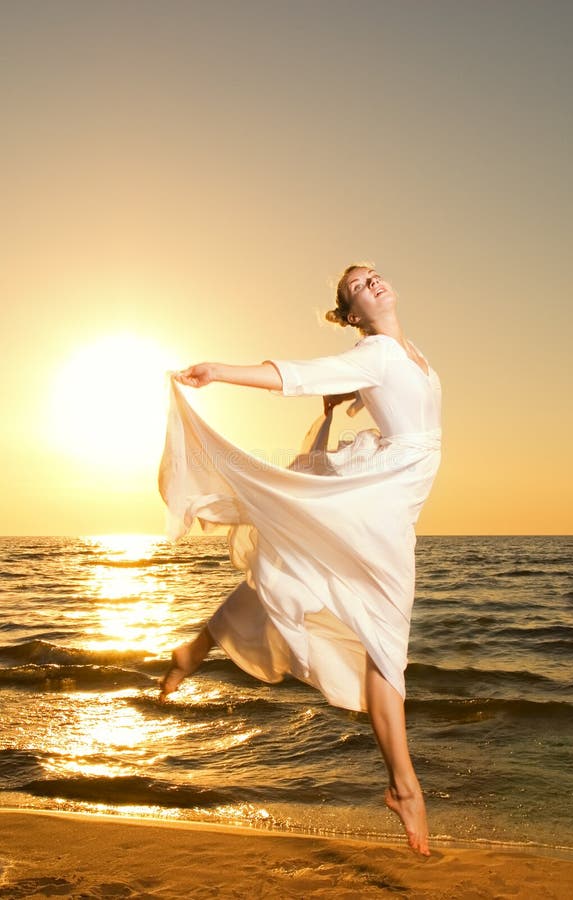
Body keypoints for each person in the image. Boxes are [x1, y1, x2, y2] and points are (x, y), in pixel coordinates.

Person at [157, 262, 442, 857]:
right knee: (384, 633)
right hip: (381, 497)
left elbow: (371, 390)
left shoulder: (402, 352)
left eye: (375, 276)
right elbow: (297, 374)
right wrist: (220, 372)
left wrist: (353, 390)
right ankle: (404, 786)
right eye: (359, 287)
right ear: (351, 315)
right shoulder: (378, 352)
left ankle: (198, 646)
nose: (375, 284)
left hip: (395, 492)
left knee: (304, 567)